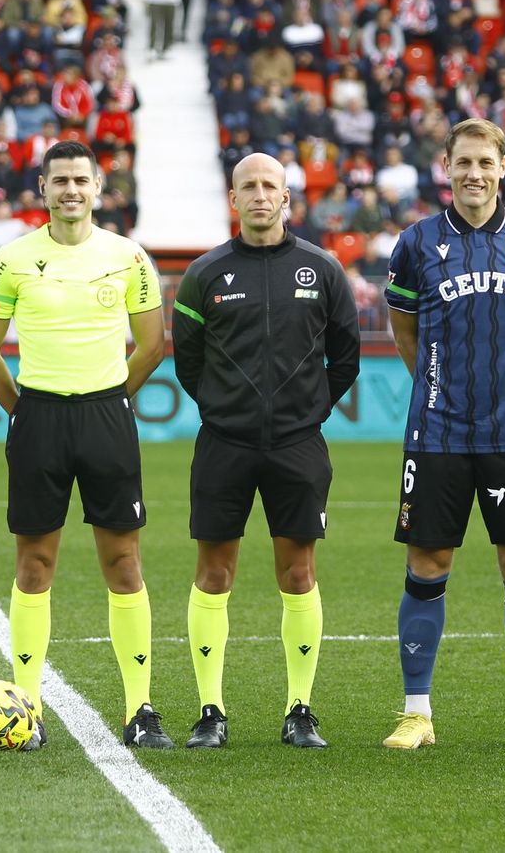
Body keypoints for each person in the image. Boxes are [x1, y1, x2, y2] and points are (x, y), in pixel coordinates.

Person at [0, 140, 171, 749]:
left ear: (99, 187)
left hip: (107, 416)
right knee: (35, 564)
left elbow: (152, 344)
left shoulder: (129, 257)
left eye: (81, 180)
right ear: (43, 187)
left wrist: (112, 398)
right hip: (40, 419)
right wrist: (25, 410)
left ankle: (141, 709)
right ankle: (26, 709)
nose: (71, 191)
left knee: (124, 562)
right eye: (60, 181)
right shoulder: (9, 259)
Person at [382, 117, 505, 751]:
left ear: (503, 168)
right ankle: (416, 713)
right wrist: (438, 387)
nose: (473, 174)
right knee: (428, 563)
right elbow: (405, 332)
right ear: (445, 167)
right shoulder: (415, 243)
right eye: (462, 162)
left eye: (485, 163)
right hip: (437, 434)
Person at [172, 152, 361, 750]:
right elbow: (188, 362)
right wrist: (225, 409)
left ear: (287, 198)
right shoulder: (205, 273)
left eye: (270, 186)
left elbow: (345, 357)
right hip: (223, 444)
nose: (259, 195)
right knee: (214, 573)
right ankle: (210, 710)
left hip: (298, 446)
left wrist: (306, 413)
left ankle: (299, 709)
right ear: (233, 199)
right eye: (248, 186)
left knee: (298, 573)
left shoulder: (322, 270)